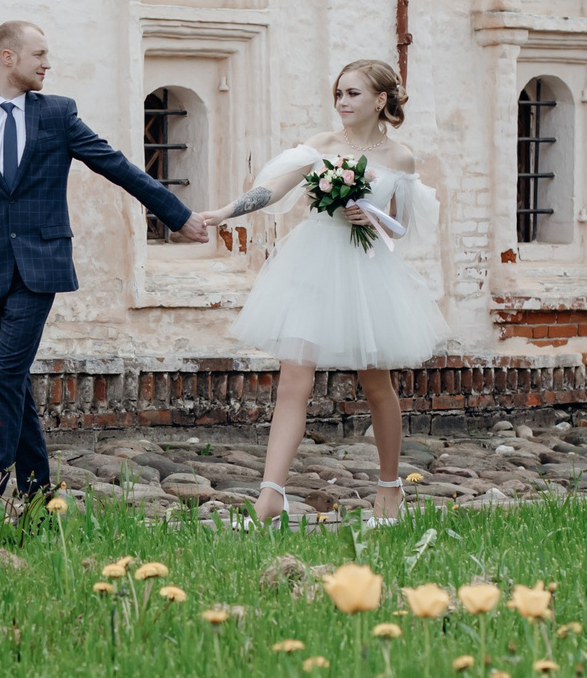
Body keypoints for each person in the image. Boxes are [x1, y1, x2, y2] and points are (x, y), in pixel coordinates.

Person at [0, 21, 211, 499]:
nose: (48, 63)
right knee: (12, 383)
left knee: (4, 376)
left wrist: (177, 215)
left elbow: (116, 164)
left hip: (39, 266)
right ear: (7, 57)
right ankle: (40, 496)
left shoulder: (58, 115)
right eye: (39, 54)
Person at [190, 58, 447, 526]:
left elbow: (401, 227)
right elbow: (271, 189)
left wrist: (369, 214)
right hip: (311, 265)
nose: (342, 102)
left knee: (375, 383)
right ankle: (271, 497)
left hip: (366, 270)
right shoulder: (321, 147)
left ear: (380, 100)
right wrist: (221, 213)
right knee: (294, 380)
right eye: (339, 93)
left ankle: (389, 489)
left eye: (353, 94)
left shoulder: (401, 158)